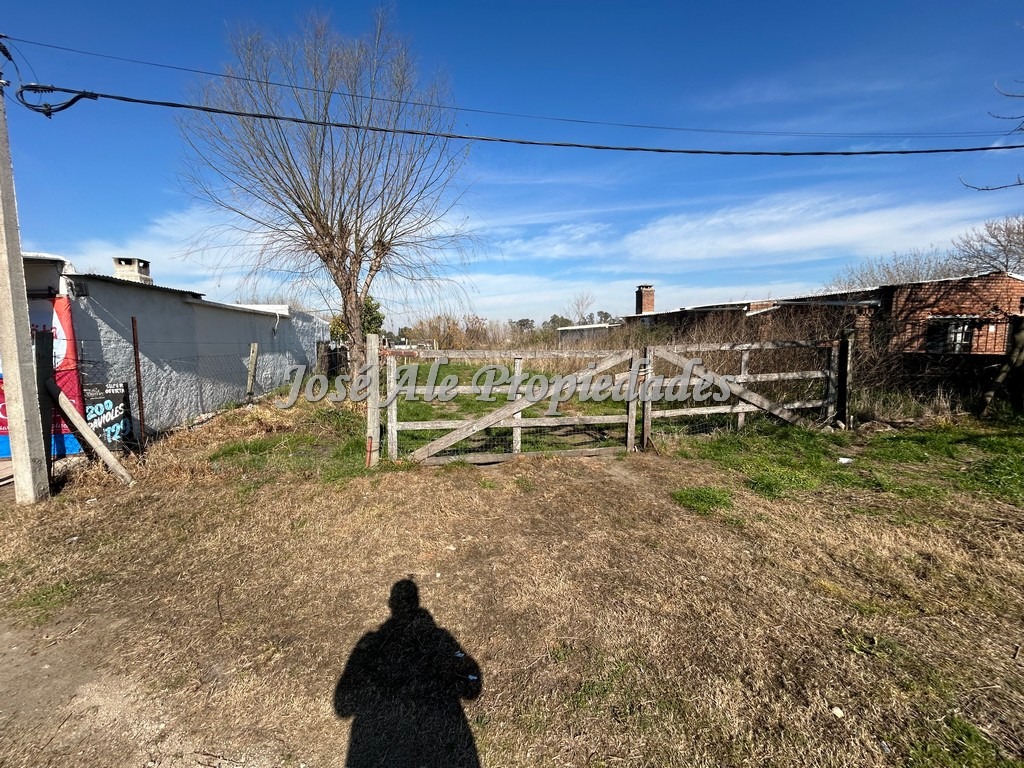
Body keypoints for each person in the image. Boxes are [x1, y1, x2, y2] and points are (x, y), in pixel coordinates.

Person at [334, 579, 482, 767]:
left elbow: (343, 708)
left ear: (390, 604)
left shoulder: (373, 642)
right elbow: (471, 688)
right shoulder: (438, 637)